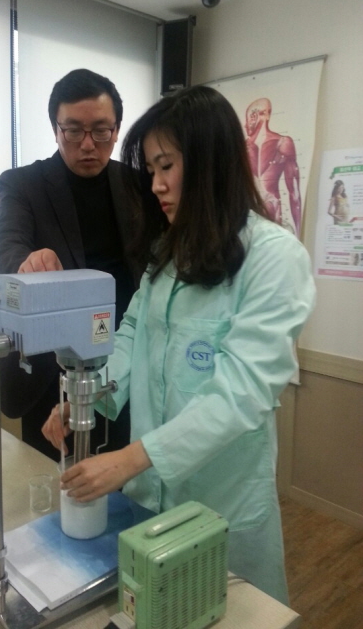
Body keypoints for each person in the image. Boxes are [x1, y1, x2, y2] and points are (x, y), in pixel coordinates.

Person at [43, 85, 316, 604]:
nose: (157, 185)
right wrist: (87, 396)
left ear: (212, 163)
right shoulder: (166, 256)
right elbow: (131, 337)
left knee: (231, 611)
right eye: (151, 170)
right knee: (156, 608)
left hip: (223, 505)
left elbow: (241, 392)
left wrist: (131, 459)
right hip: (151, 501)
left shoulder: (274, 259)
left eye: (166, 166)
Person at [0, 69, 140, 460]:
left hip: (122, 363)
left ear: (116, 130)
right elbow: (1, 245)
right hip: (50, 372)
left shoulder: (138, 185)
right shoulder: (25, 184)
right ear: (56, 129)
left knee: (119, 475)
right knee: (49, 480)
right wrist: (26, 261)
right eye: (73, 131)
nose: (87, 144)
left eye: (100, 131)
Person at [244, 97, 302, 236]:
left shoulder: (282, 143)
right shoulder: (242, 148)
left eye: (249, 118)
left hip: (271, 215)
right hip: (248, 220)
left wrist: (297, 235)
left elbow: (294, 192)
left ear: (259, 115)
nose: (245, 125)